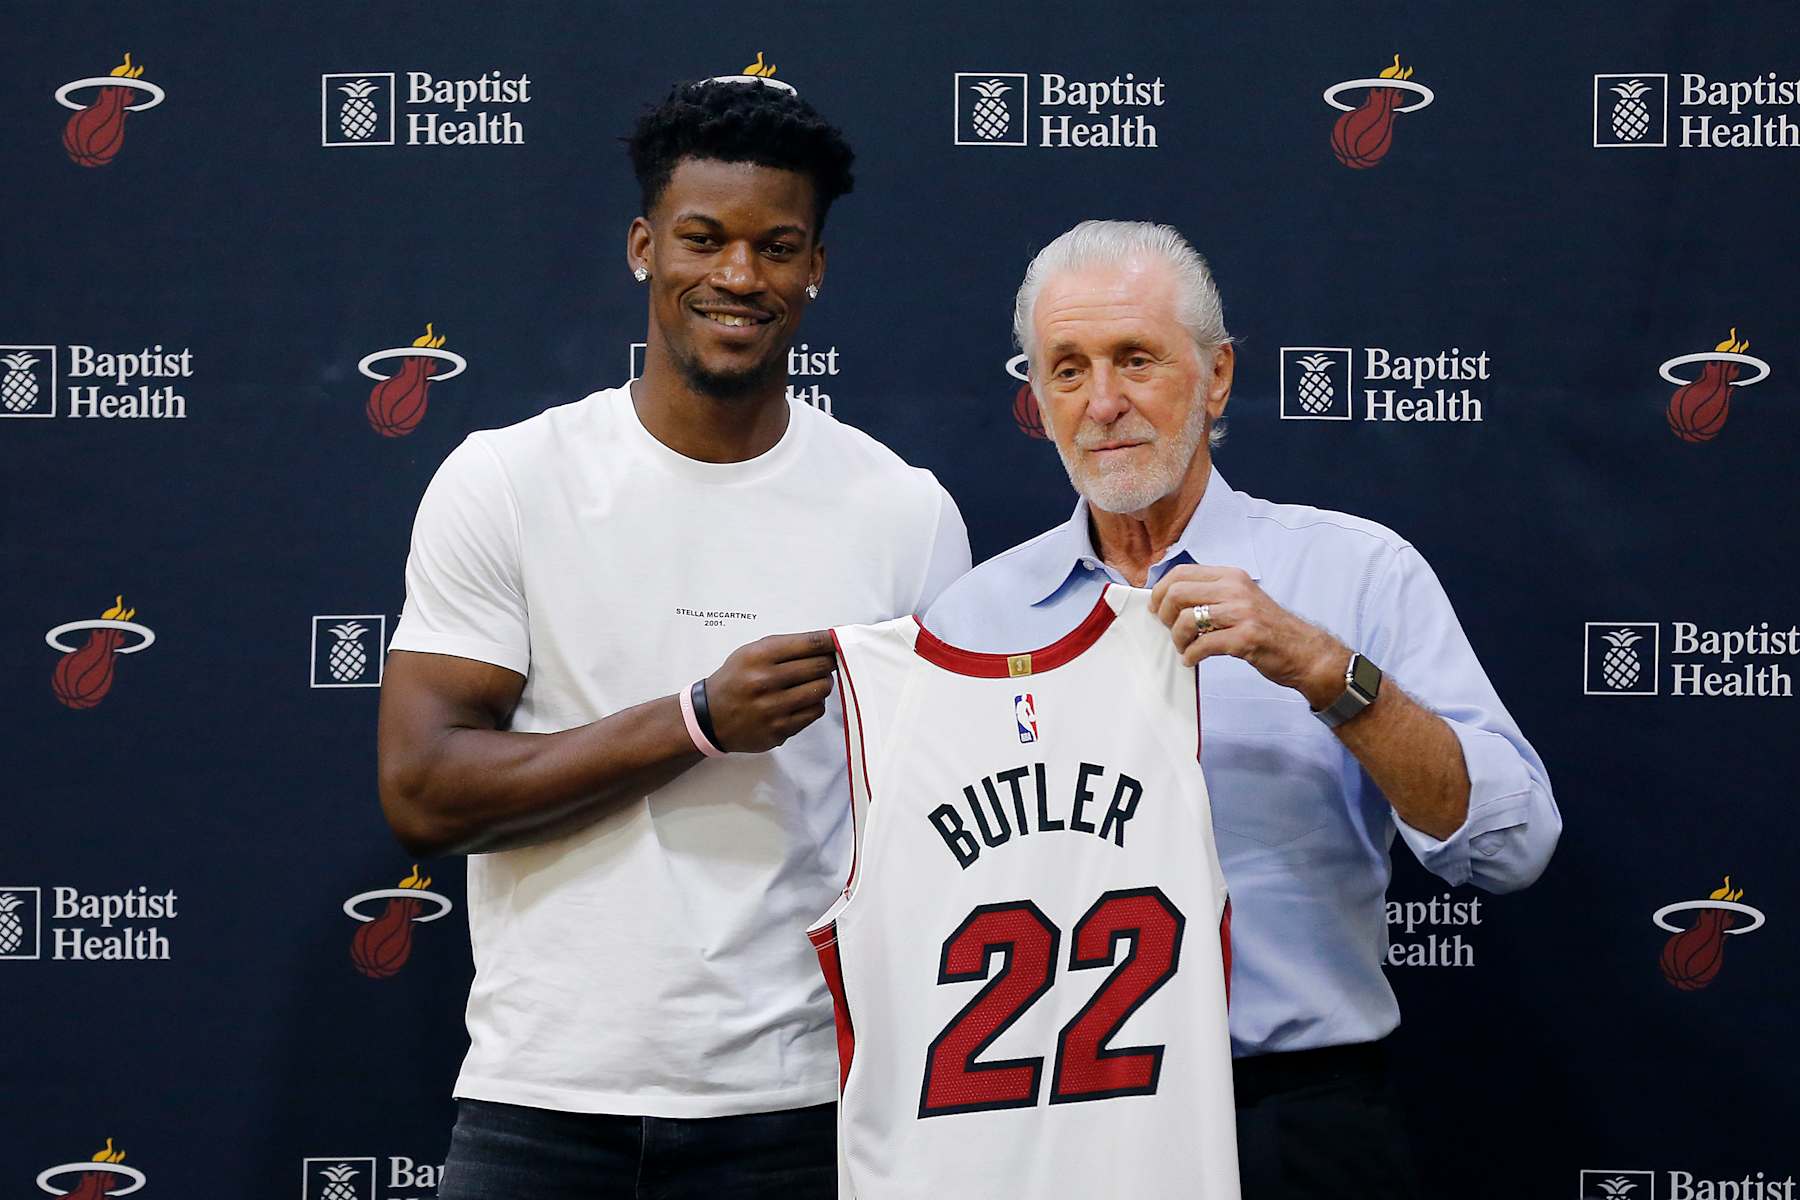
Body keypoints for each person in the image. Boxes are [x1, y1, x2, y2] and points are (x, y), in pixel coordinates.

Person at [376, 78, 969, 1198]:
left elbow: (935, 830)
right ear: (646, 247)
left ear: (816, 270)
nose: (740, 277)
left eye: (777, 246)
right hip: (543, 1105)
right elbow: (423, 790)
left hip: (799, 1112)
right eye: (704, 239)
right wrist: (697, 721)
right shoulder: (509, 481)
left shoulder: (904, 513)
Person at [923, 219, 1560, 1198]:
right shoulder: (975, 618)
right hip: (1047, 1131)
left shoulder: (1352, 572)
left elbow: (1511, 845)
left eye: (1136, 359)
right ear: (1037, 398)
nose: (1103, 403)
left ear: (1217, 377)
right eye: (1067, 368)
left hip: (1294, 1125)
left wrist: (1321, 668)